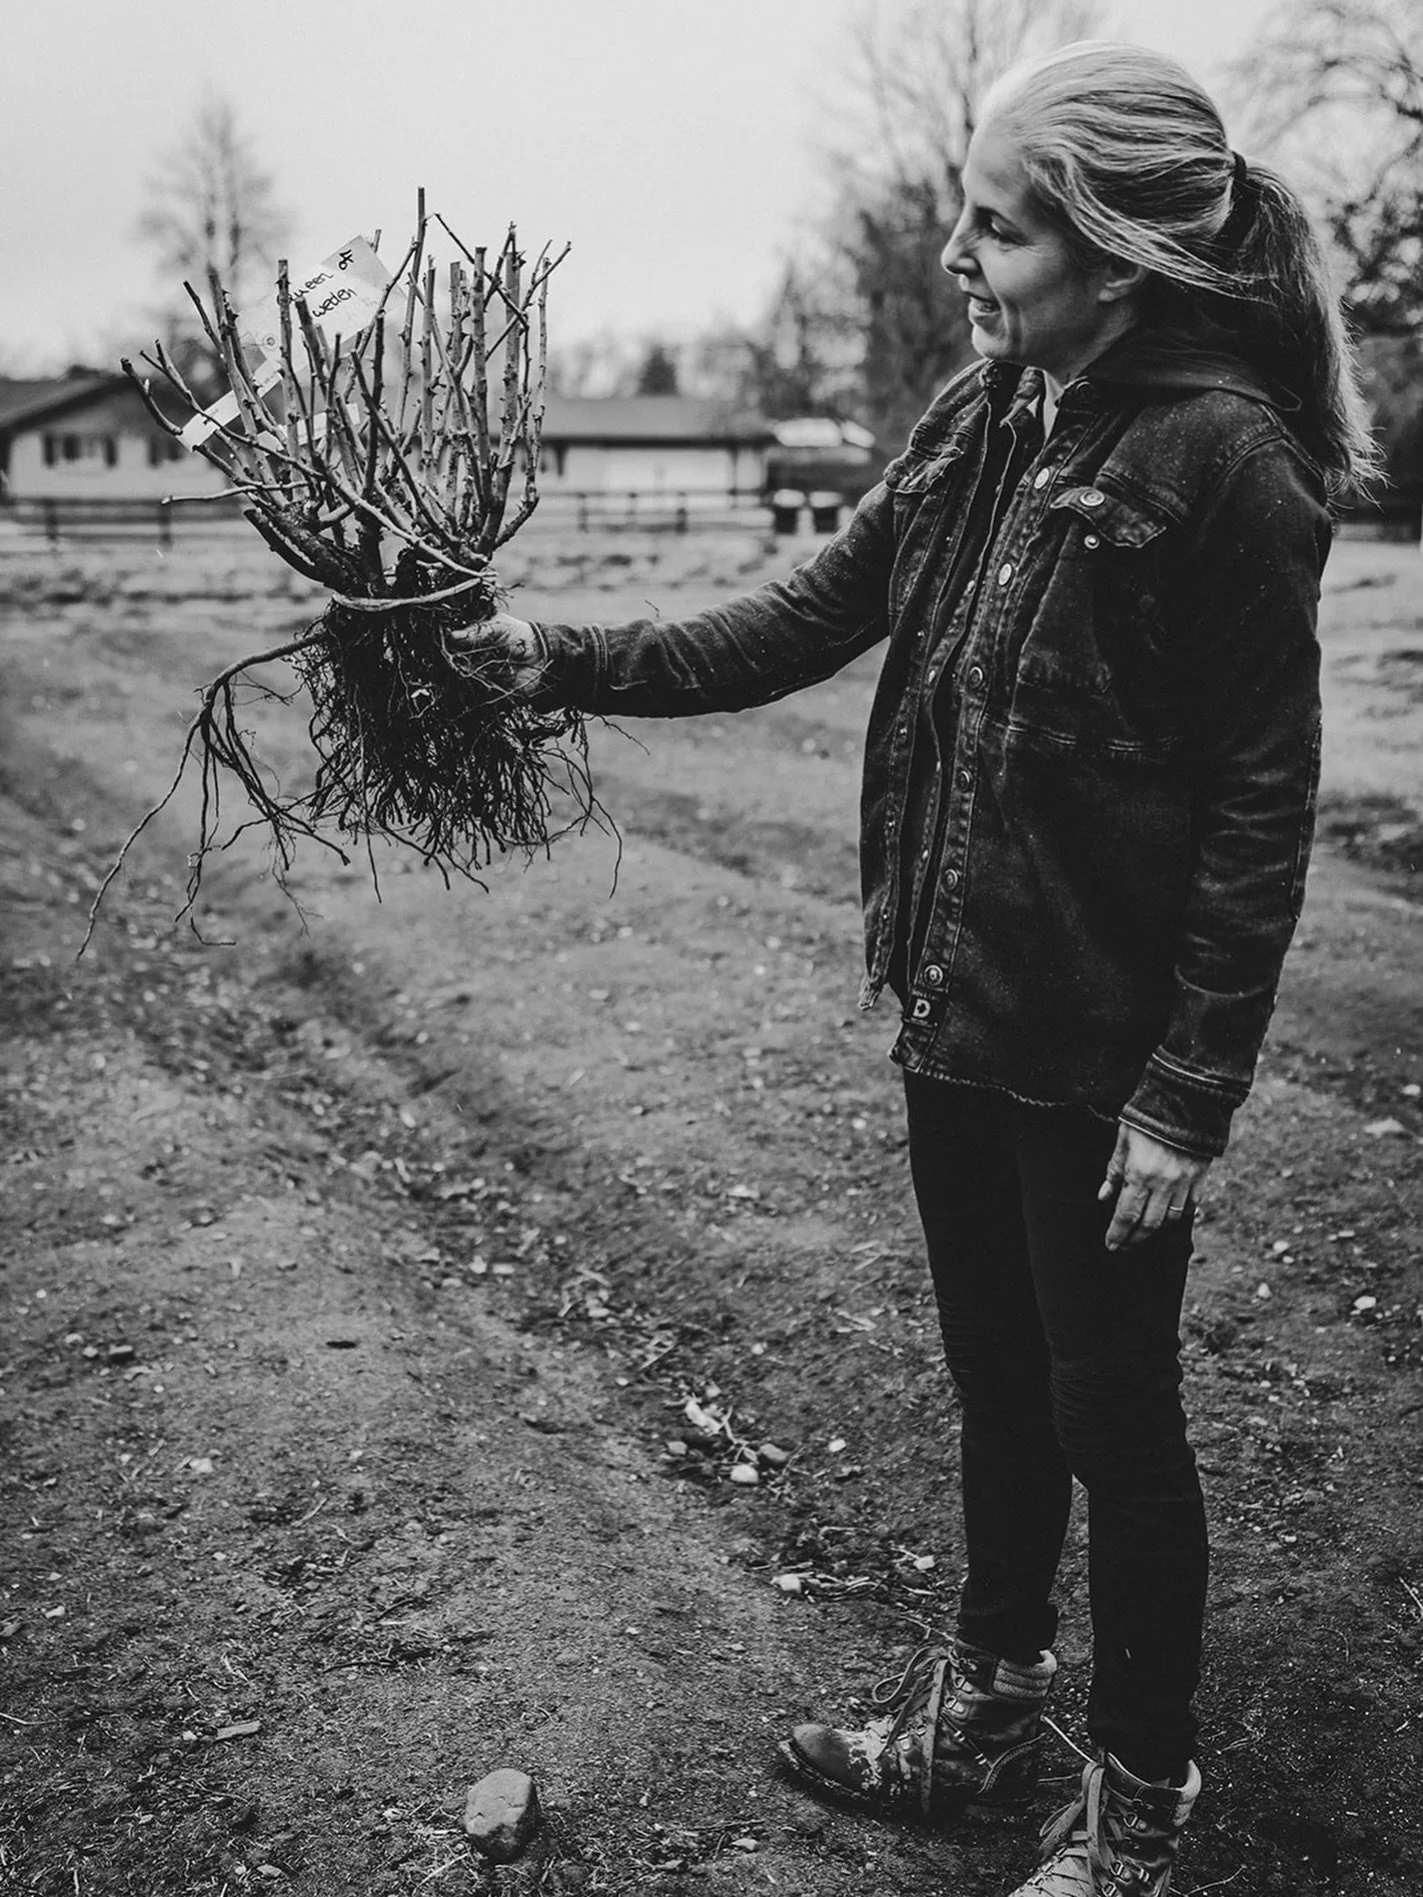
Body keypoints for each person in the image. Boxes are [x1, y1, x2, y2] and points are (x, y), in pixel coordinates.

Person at [457, 40, 1378, 1897]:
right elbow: (805, 611)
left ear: (1116, 258)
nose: (959, 252)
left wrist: (1189, 1096)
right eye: (961, 210)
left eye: (996, 223)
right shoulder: (986, 418)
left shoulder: (1230, 465)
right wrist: (557, 655)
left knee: (1113, 1415)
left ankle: (1137, 1808)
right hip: (954, 1005)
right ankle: (982, 1723)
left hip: (1100, 1057)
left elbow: (1257, 812)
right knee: (996, 1383)